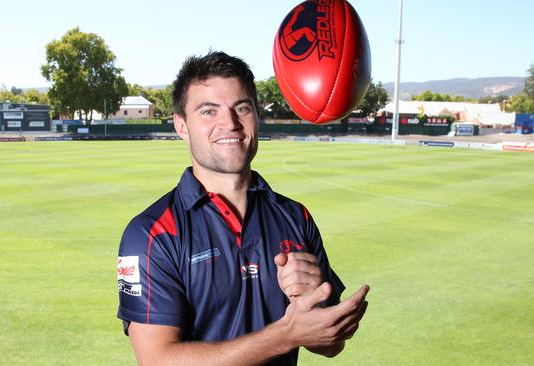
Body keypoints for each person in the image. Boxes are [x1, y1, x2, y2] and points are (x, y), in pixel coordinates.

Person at [117, 51, 369, 366]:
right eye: (208, 111)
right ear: (182, 126)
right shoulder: (151, 233)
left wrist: (317, 308)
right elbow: (158, 360)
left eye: (242, 108)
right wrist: (286, 335)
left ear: (256, 116)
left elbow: (329, 346)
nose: (230, 123)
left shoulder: (295, 216)